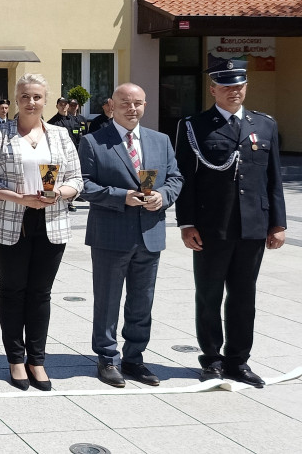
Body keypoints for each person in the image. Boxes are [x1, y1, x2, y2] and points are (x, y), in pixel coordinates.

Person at [175, 59, 286, 388]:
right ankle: (211, 359)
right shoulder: (195, 126)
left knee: (243, 296)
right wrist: (186, 224)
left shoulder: (264, 125)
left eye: (239, 85)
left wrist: (277, 223)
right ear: (212, 89)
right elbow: (186, 180)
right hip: (211, 227)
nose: (233, 91)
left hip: (253, 226)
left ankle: (238, 360)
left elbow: (274, 178)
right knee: (208, 296)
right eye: (225, 86)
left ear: (246, 86)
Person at [0, 73, 82, 391]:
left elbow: (77, 179)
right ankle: (16, 360)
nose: (31, 102)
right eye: (25, 97)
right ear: (16, 100)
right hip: (10, 223)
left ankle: (37, 360)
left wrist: (59, 193)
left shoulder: (61, 136)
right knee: (12, 291)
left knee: (40, 294)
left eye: (36, 96)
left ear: (45, 99)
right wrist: (17, 197)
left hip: (51, 223)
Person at [78, 83, 183, 388]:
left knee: (142, 301)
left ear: (145, 105)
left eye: (138, 103)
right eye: (125, 103)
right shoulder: (94, 141)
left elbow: (176, 177)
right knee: (108, 300)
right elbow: (84, 185)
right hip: (111, 234)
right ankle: (107, 358)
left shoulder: (160, 141)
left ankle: (135, 357)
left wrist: (162, 195)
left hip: (150, 232)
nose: (132, 109)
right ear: (111, 105)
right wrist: (119, 195)